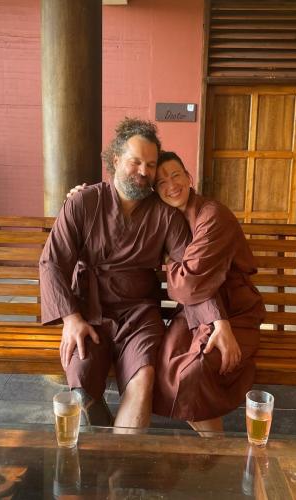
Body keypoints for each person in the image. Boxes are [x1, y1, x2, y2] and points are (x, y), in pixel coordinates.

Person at [40, 119, 224, 430]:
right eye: (135, 161)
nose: (143, 171)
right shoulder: (83, 202)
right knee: (82, 380)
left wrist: (217, 320)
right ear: (115, 160)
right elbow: (52, 263)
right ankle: (98, 420)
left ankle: (119, 457)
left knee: (144, 377)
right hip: (89, 311)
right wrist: (70, 319)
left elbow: (190, 272)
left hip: (139, 313)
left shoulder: (165, 214)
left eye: (150, 165)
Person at [68, 151, 265, 434]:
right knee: (163, 363)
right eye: (161, 182)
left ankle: (216, 447)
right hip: (192, 308)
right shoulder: (167, 214)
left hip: (234, 308)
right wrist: (83, 196)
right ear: (153, 190)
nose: (171, 185)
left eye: (176, 175)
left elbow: (188, 284)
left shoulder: (212, 216)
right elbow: (117, 197)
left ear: (189, 177)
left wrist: (219, 320)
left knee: (193, 371)